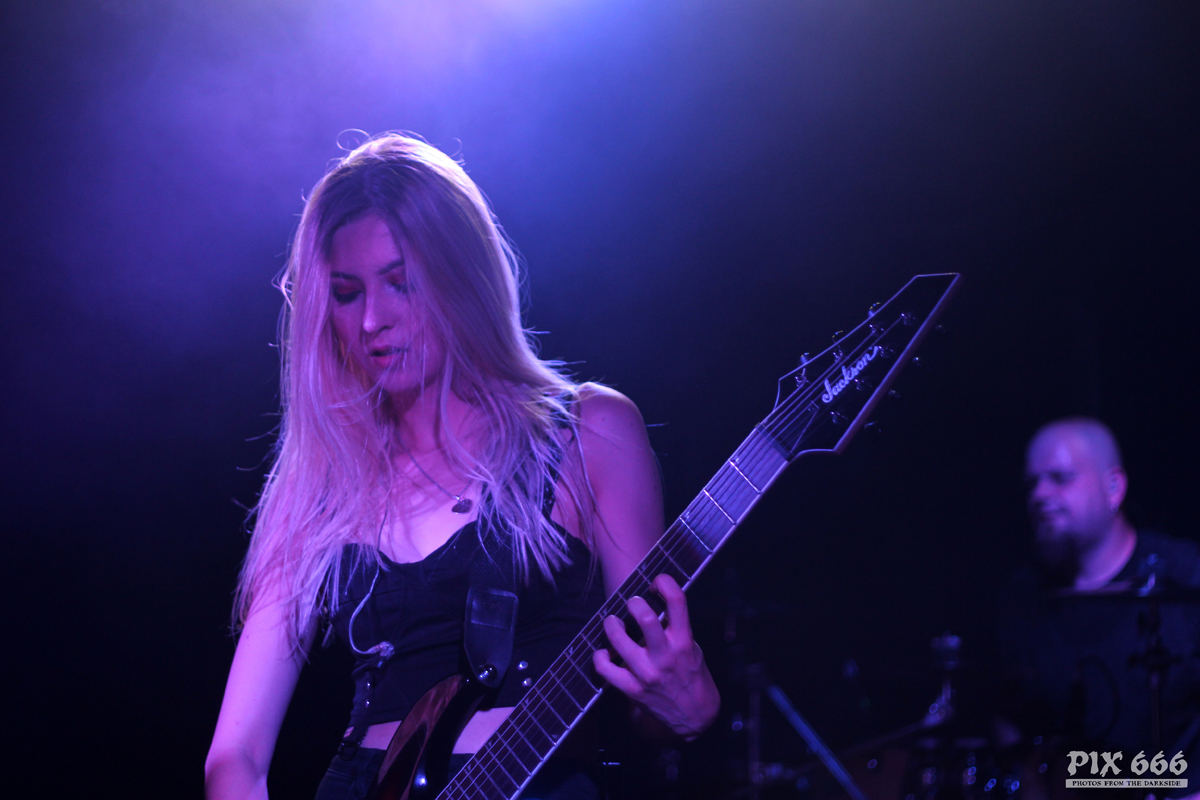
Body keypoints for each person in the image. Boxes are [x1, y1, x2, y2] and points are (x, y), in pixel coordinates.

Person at [204, 133, 720, 800]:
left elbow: (648, 691)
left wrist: (685, 706)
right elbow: (236, 755)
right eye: (347, 293)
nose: (372, 320)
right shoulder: (323, 484)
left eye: (401, 282)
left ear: (461, 274)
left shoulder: (586, 433)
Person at [995, 418, 1200, 795]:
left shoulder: (1186, 576)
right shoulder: (1023, 596)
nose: (1039, 495)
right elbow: (1011, 721)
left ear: (1113, 487)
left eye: (1060, 478)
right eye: (1031, 483)